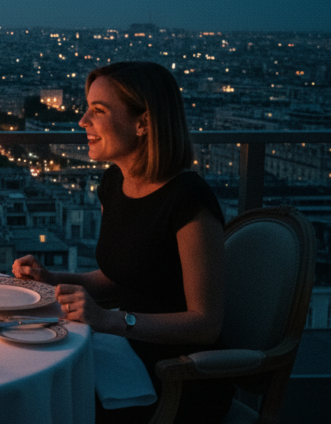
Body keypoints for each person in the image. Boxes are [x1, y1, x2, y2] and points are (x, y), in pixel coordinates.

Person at [12, 61, 231, 423]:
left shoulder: (190, 200)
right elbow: (118, 277)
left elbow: (206, 323)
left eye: (98, 111)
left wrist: (112, 321)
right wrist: (53, 279)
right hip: (121, 350)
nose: (82, 121)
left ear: (143, 123)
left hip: (175, 376)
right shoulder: (114, 184)